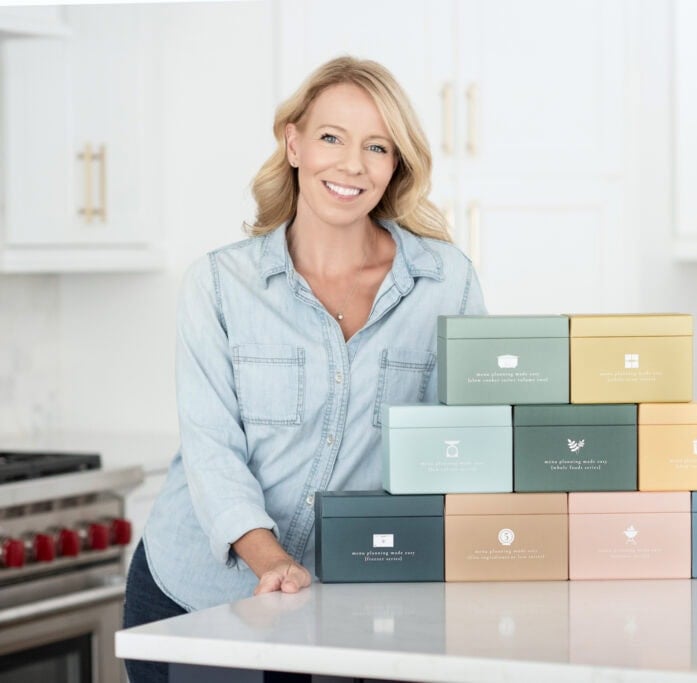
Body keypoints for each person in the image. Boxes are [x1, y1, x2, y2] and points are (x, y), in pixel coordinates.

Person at [123, 56, 485, 682]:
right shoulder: (219, 283)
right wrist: (271, 562)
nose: (352, 165)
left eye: (377, 146)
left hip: (344, 609)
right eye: (330, 138)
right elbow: (212, 453)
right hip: (197, 598)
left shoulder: (443, 283)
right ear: (293, 143)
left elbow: (465, 444)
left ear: (396, 163)